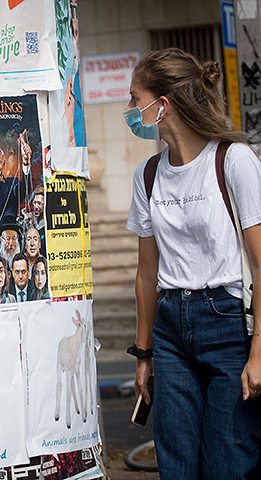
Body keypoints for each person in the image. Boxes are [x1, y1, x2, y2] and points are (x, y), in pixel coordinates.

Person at [126, 48, 261, 479]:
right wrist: (143, 354)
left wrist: (259, 350)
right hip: (170, 332)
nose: (129, 110)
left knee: (228, 460)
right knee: (176, 463)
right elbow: (147, 273)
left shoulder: (233, 160)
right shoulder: (147, 176)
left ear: (161, 105)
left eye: (135, 99)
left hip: (228, 326)